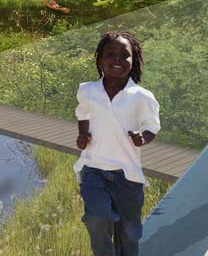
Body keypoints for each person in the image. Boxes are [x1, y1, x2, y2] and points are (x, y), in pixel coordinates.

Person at [74, 30, 160, 256]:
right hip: (93, 169)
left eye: (124, 55)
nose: (117, 60)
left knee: (129, 236)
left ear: (134, 60)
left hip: (127, 176)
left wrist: (143, 138)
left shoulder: (142, 97)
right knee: (96, 219)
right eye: (110, 54)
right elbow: (82, 114)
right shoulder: (87, 90)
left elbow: (152, 127)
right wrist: (83, 136)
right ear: (100, 59)